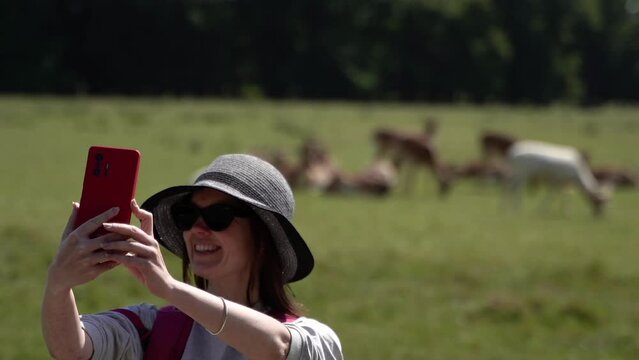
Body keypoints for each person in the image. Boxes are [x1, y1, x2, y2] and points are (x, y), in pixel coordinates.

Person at [42, 154, 343, 360]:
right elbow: (71, 349)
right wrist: (58, 284)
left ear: (264, 238)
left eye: (218, 216)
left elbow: (277, 347)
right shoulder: (152, 325)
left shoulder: (316, 340)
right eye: (187, 215)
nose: (197, 230)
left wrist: (171, 289)